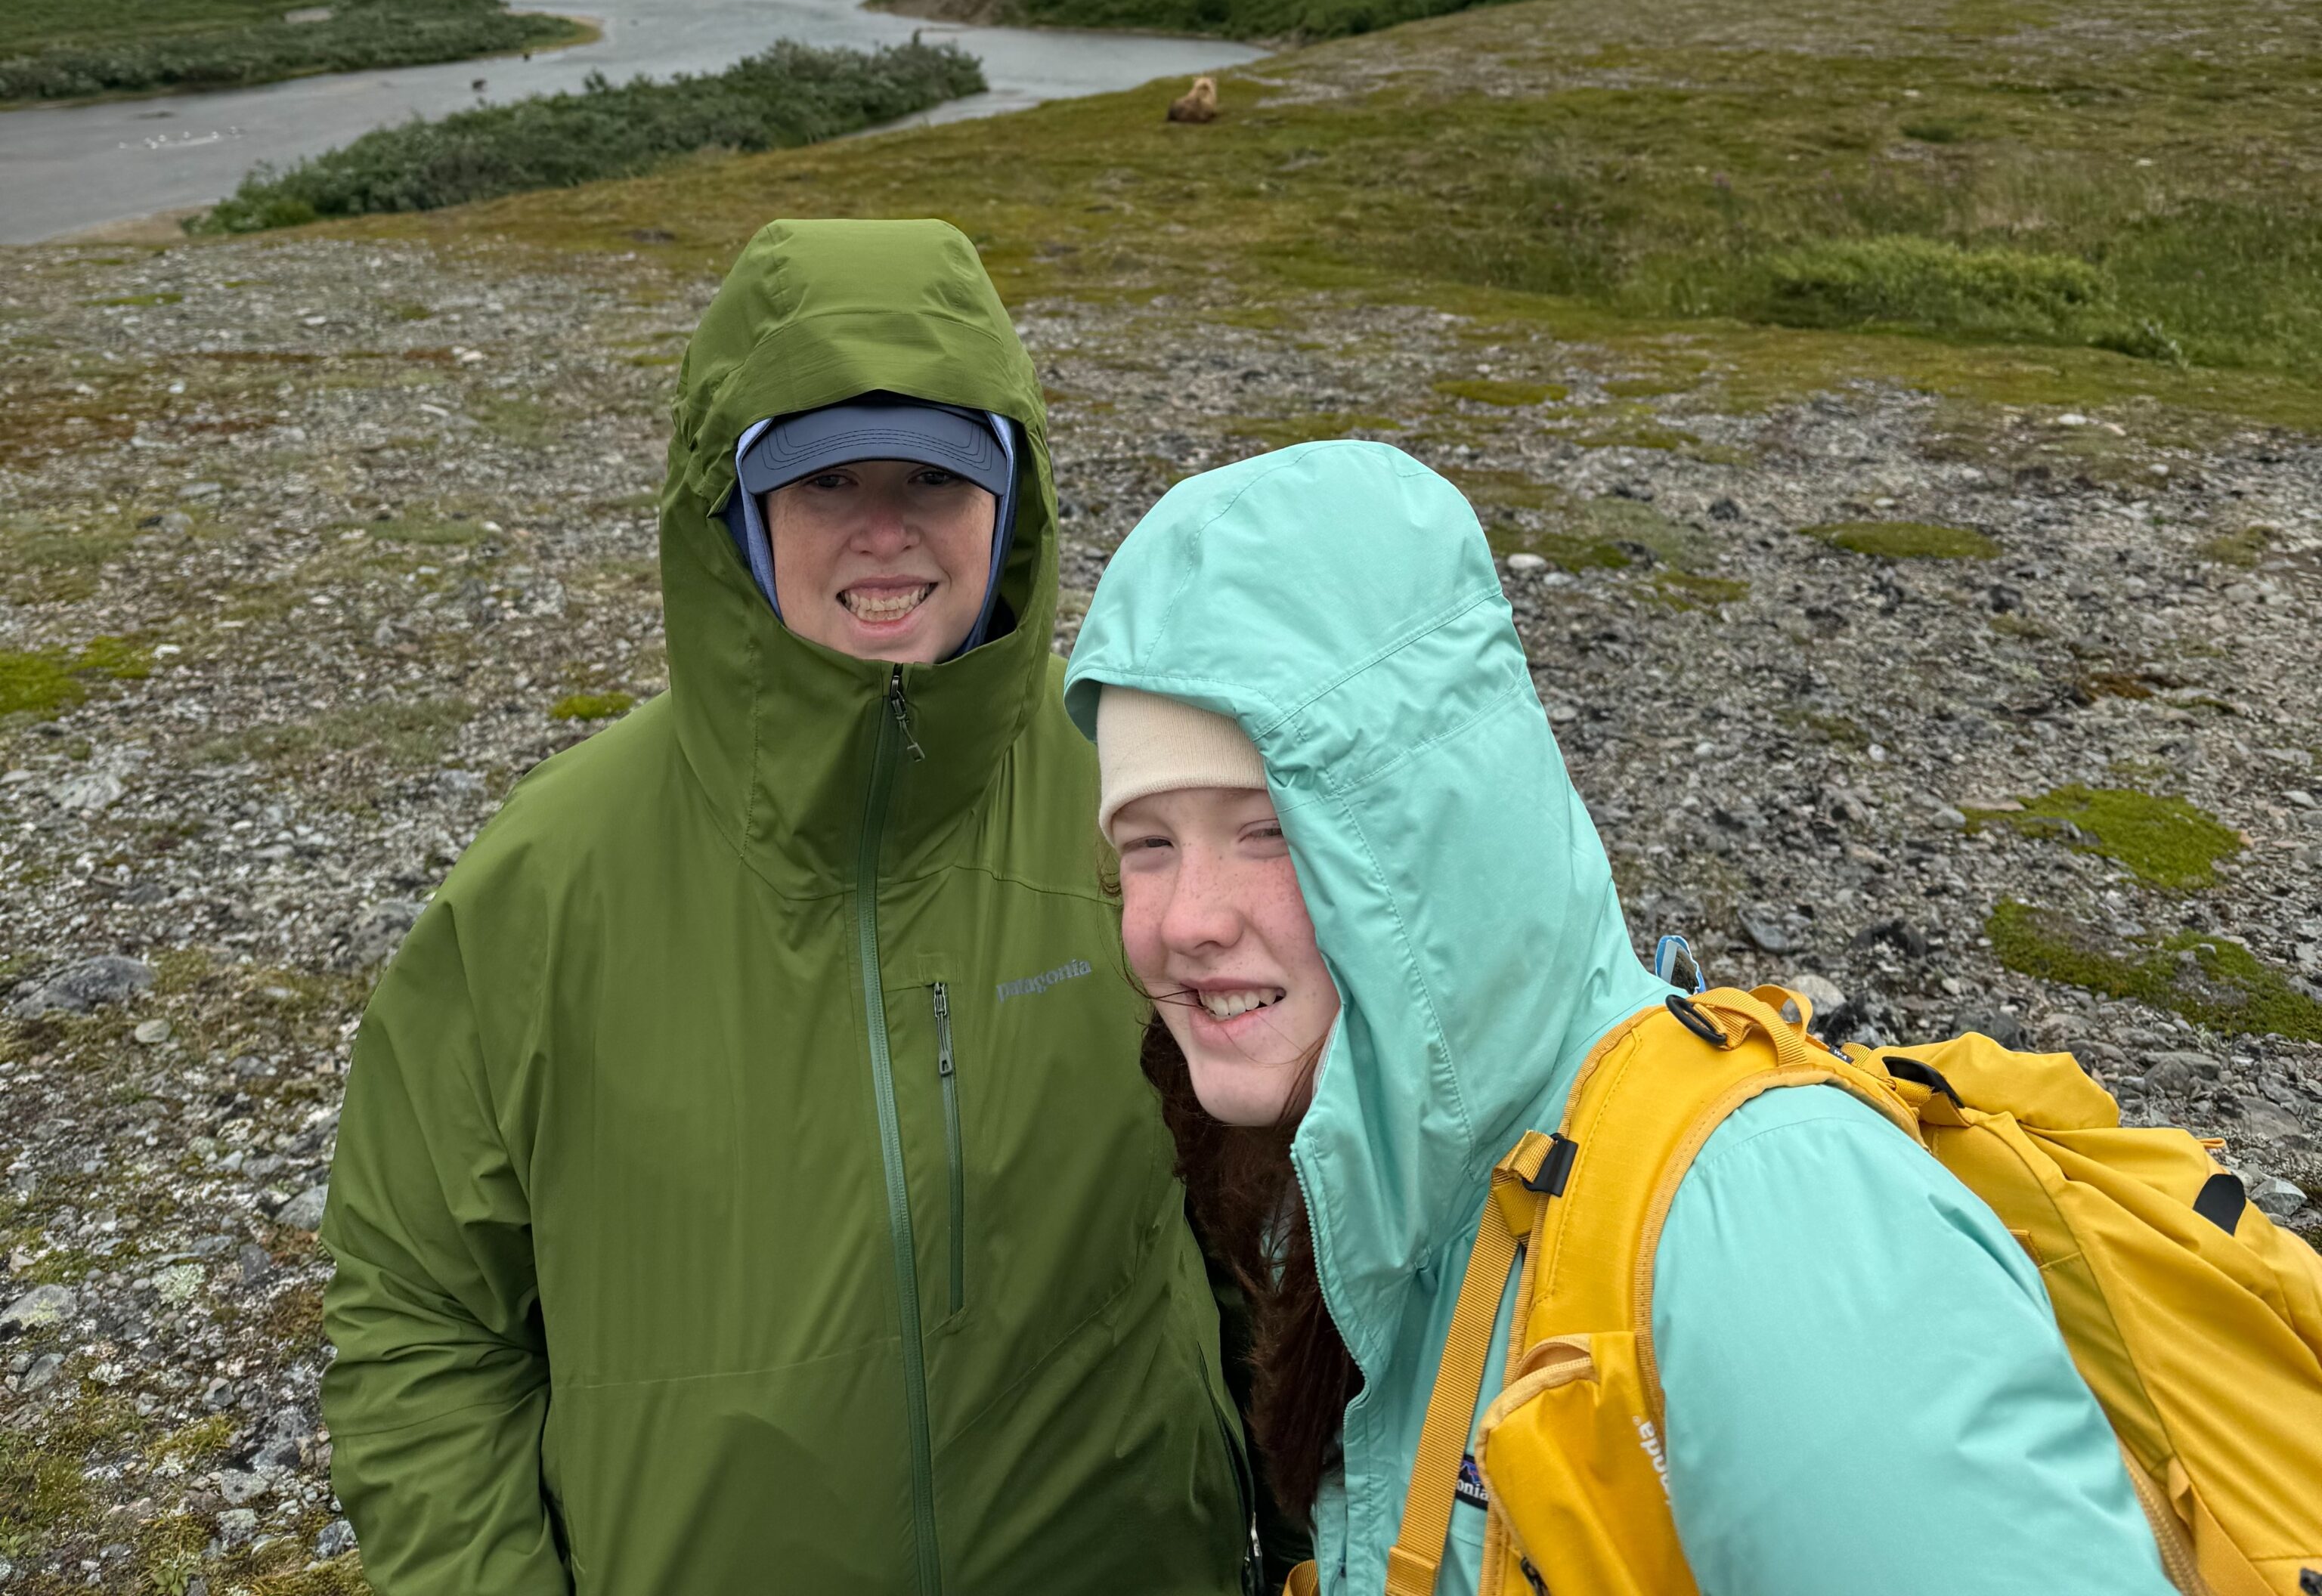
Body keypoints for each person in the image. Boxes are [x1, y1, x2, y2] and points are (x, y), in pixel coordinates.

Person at [322, 215, 1255, 1596]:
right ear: (734, 512)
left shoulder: (1133, 817)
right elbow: (420, 1316)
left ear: (1013, 502)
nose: (884, 530)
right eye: (826, 483)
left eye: (934, 477)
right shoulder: (546, 882)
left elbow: (1276, 1230)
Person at [1063, 438, 2175, 1596]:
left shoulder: (1771, 1221)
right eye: (1149, 844)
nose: (1186, 920)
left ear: (1441, 833)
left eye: (1272, 832)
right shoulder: (1362, 1177)